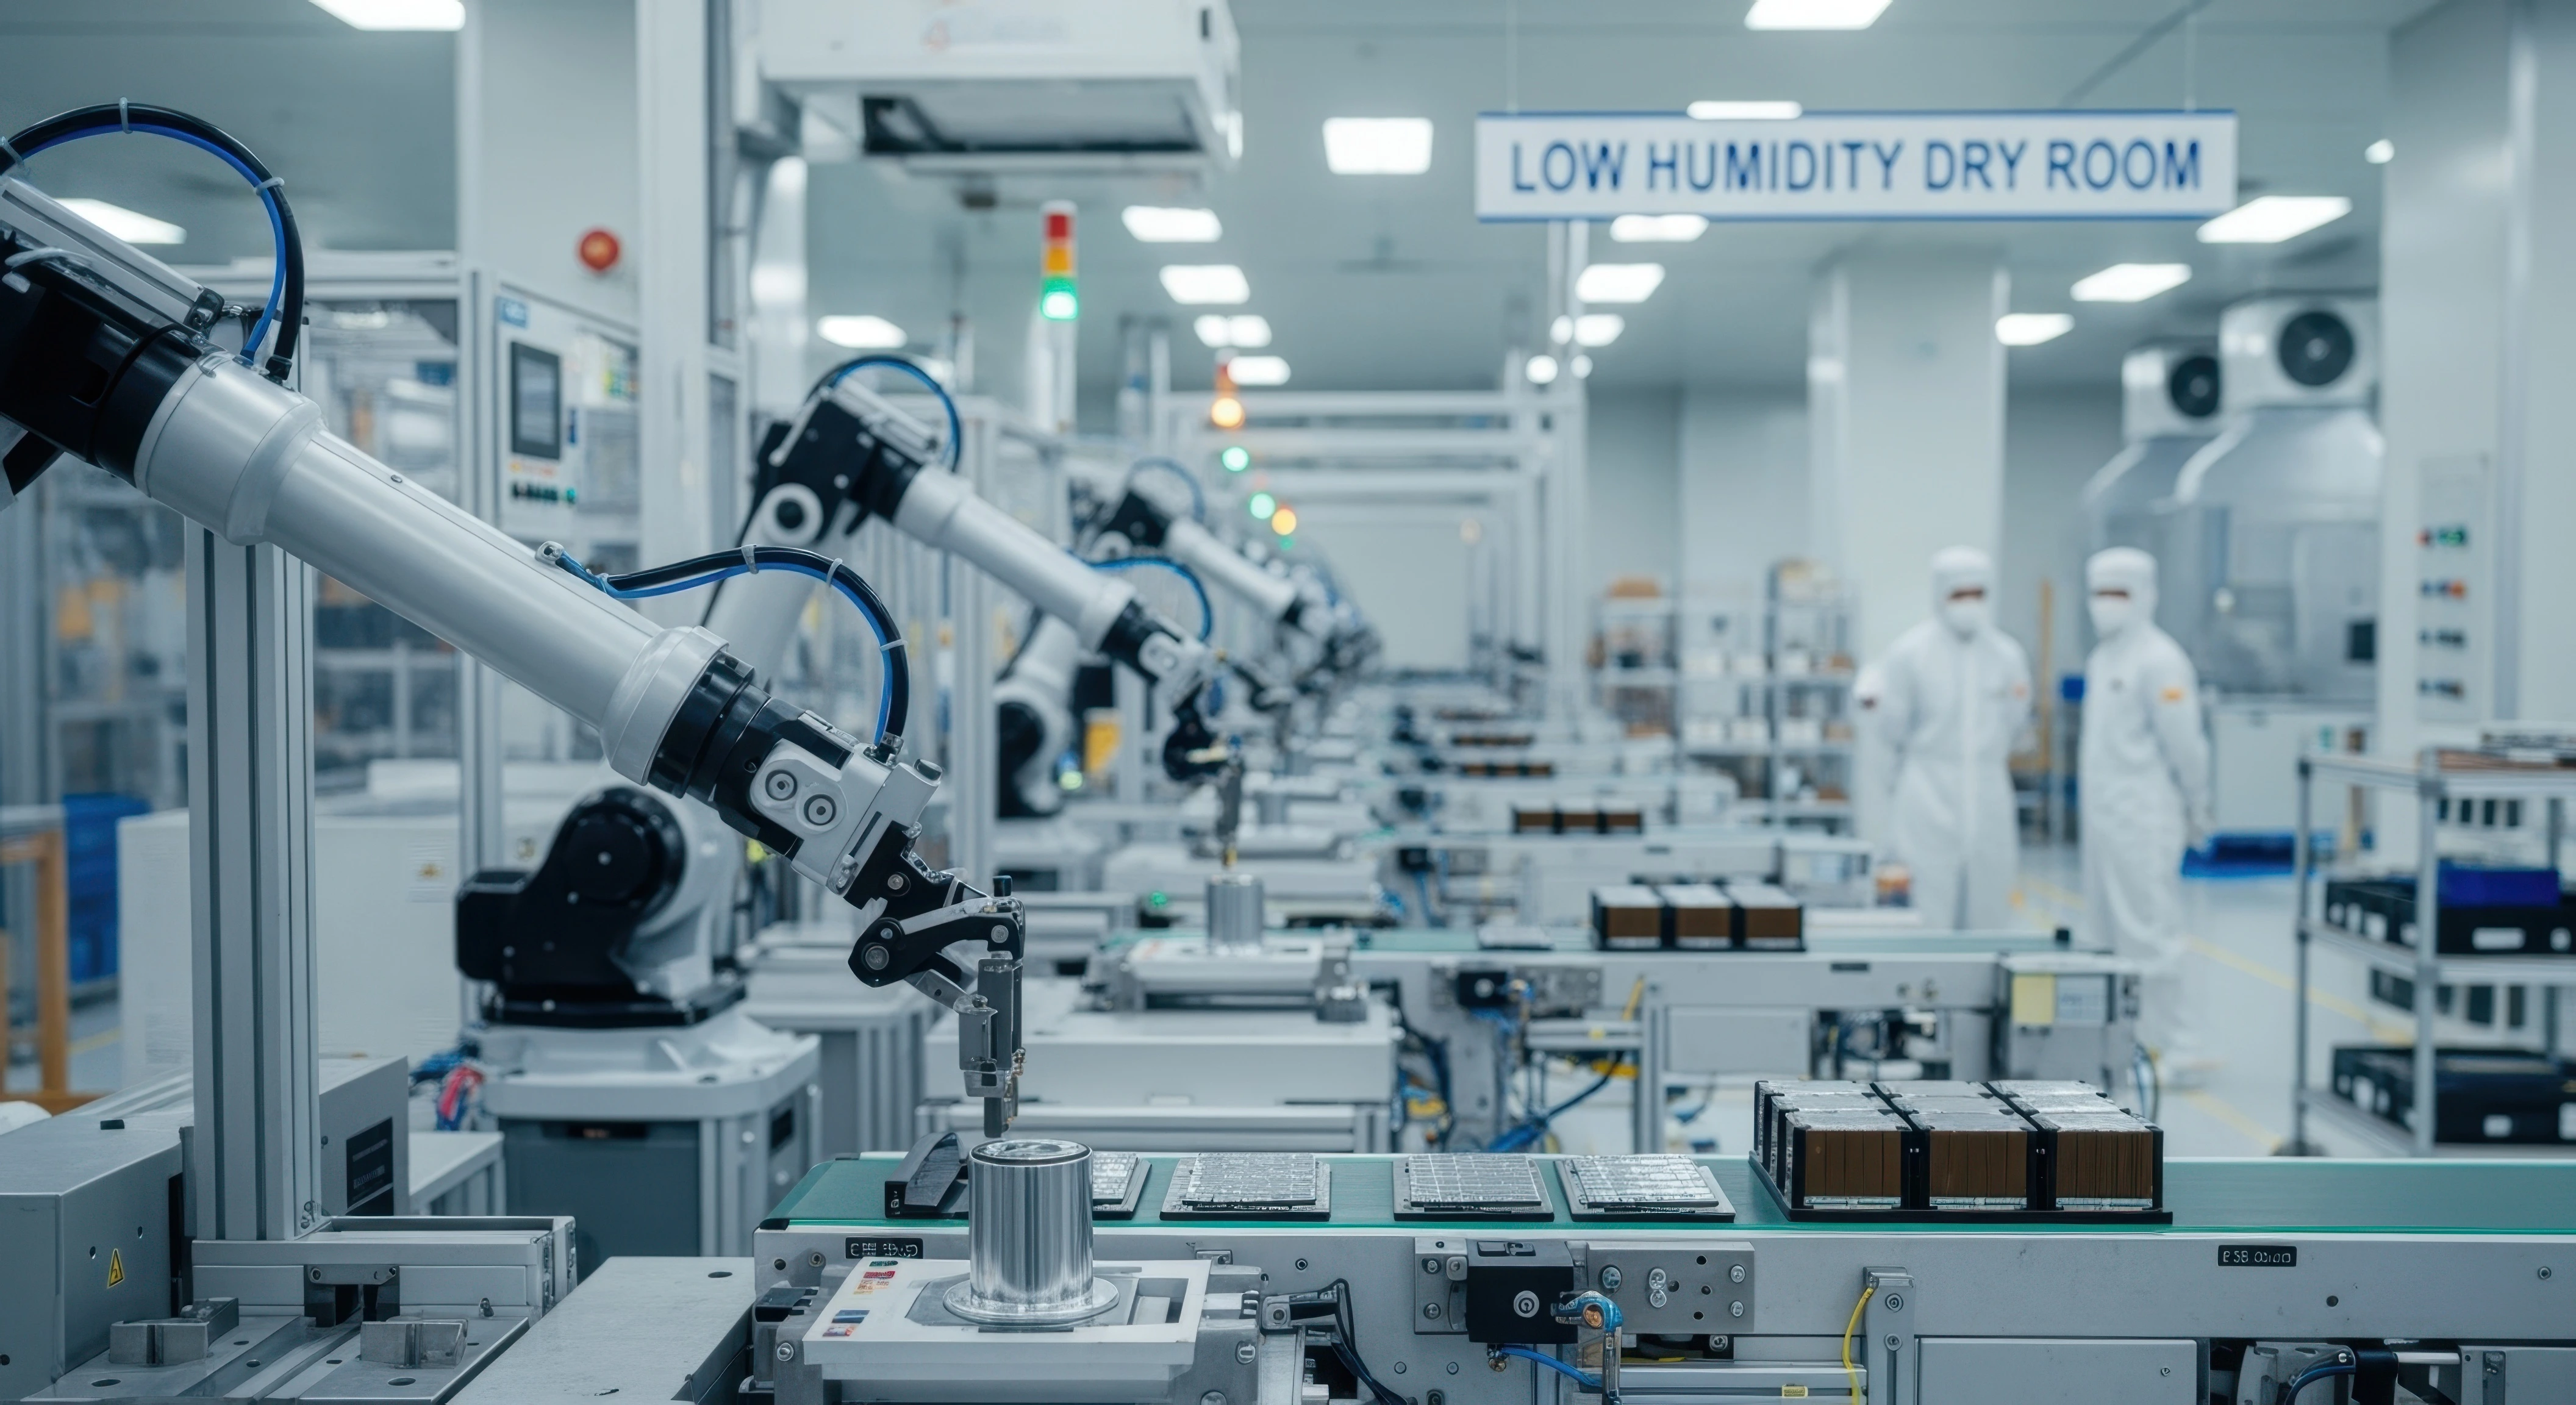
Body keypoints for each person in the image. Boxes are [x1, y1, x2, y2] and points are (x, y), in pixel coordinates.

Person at [2077, 546, 2211, 1068]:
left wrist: (2198, 804)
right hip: (2102, 818)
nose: (2107, 605)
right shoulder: (2102, 658)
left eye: (2119, 593)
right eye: (2099, 593)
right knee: (2106, 933)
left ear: (2144, 596)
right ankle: (2126, 1044)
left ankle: (2181, 1045)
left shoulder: (2160, 659)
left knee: (2151, 930)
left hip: (2144, 814)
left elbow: (2187, 745)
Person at [1863, 547, 2033, 930]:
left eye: (1978, 594)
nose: (1969, 604)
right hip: (1927, 792)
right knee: (1927, 907)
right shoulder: (1911, 652)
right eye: (1959, 595)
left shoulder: (2007, 655)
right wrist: (1897, 792)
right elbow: (1891, 732)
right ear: (1940, 595)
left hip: (1989, 790)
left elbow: (2016, 723)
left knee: (1991, 905)